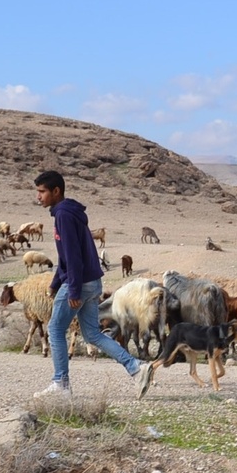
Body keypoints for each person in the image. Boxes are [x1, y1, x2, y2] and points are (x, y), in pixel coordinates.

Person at [31, 170, 155, 400]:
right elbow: (66, 257)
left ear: (56, 191)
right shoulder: (68, 213)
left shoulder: (64, 216)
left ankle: (61, 384)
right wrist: (55, 283)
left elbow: (73, 256)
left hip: (79, 284)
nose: (38, 196)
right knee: (92, 335)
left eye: (42, 191)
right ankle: (137, 368)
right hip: (92, 283)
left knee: (55, 330)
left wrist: (73, 289)